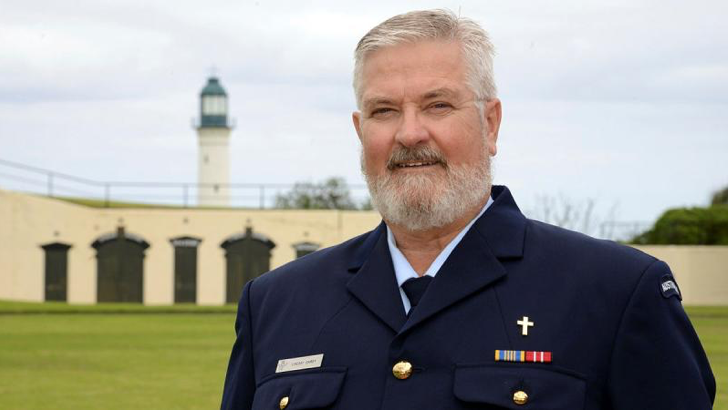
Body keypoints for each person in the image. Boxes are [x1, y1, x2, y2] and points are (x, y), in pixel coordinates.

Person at [221, 9, 715, 409]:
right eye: (384, 111)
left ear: (491, 123)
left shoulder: (616, 293)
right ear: (359, 130)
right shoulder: (274, 305)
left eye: (438, 105)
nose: (409, 133)